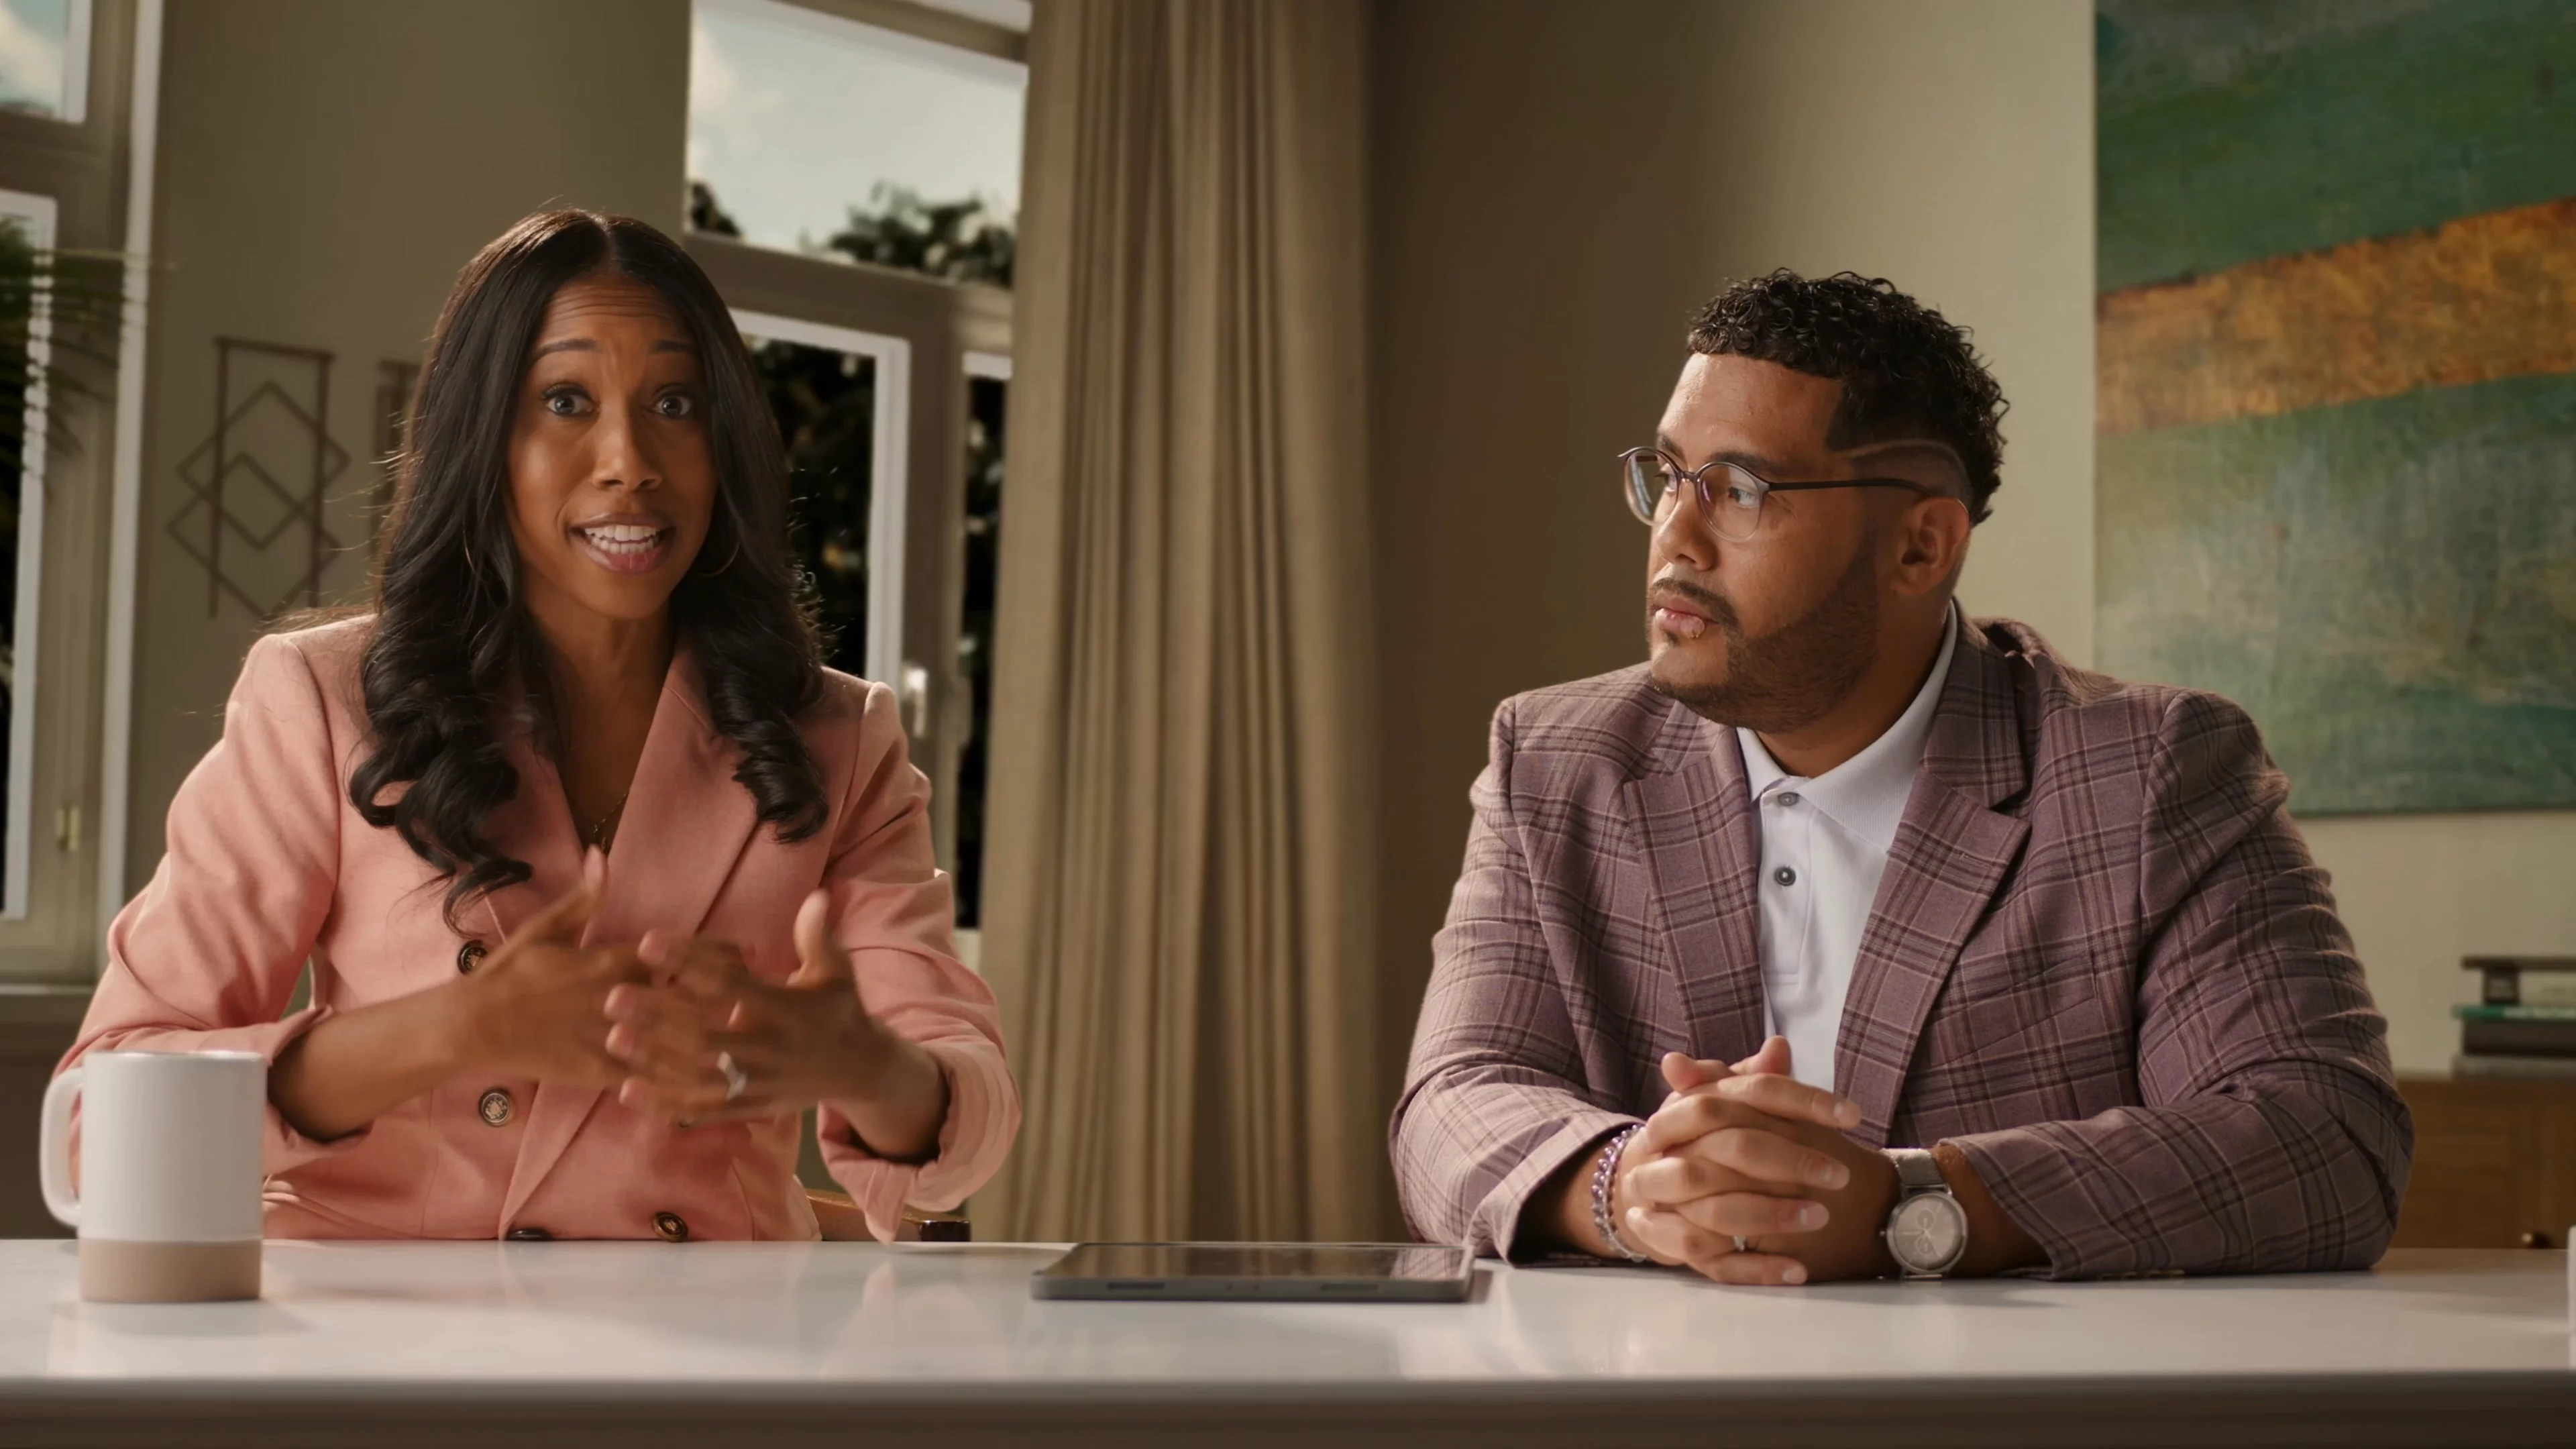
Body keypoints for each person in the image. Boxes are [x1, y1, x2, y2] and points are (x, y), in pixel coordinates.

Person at [1391, 270, 2410, 1283]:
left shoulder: (2150, 772)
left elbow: (2327, 1138)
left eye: (1738, 490)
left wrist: (1913, 1206)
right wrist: (1630, 1188)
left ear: (1921, 548)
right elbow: (1453, 1100)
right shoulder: (1555, 761)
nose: (1676, 538)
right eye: (1668, 476)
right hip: (1649, 1377)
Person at [60, 210, 1018, 1242]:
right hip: (364, 1321)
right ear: (483, 438)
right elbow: (94, 1128)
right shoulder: (322, 699)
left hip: (709, 1330)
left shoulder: (841, 736)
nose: (629, 460)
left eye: (675, 403)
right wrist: (446, 1031)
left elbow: (969, 1132)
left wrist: (866, 1066)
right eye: (566, 402)